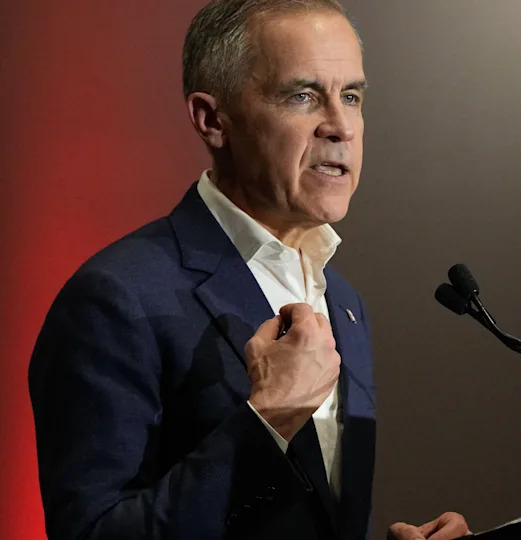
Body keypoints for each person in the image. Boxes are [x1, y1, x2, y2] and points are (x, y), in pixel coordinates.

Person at [28, 1, 469, 539]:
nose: (340, 127)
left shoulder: (344, 303)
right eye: (303, 95)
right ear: (213, 120)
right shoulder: (118, 298)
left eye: (351, 97)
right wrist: (264, 426)